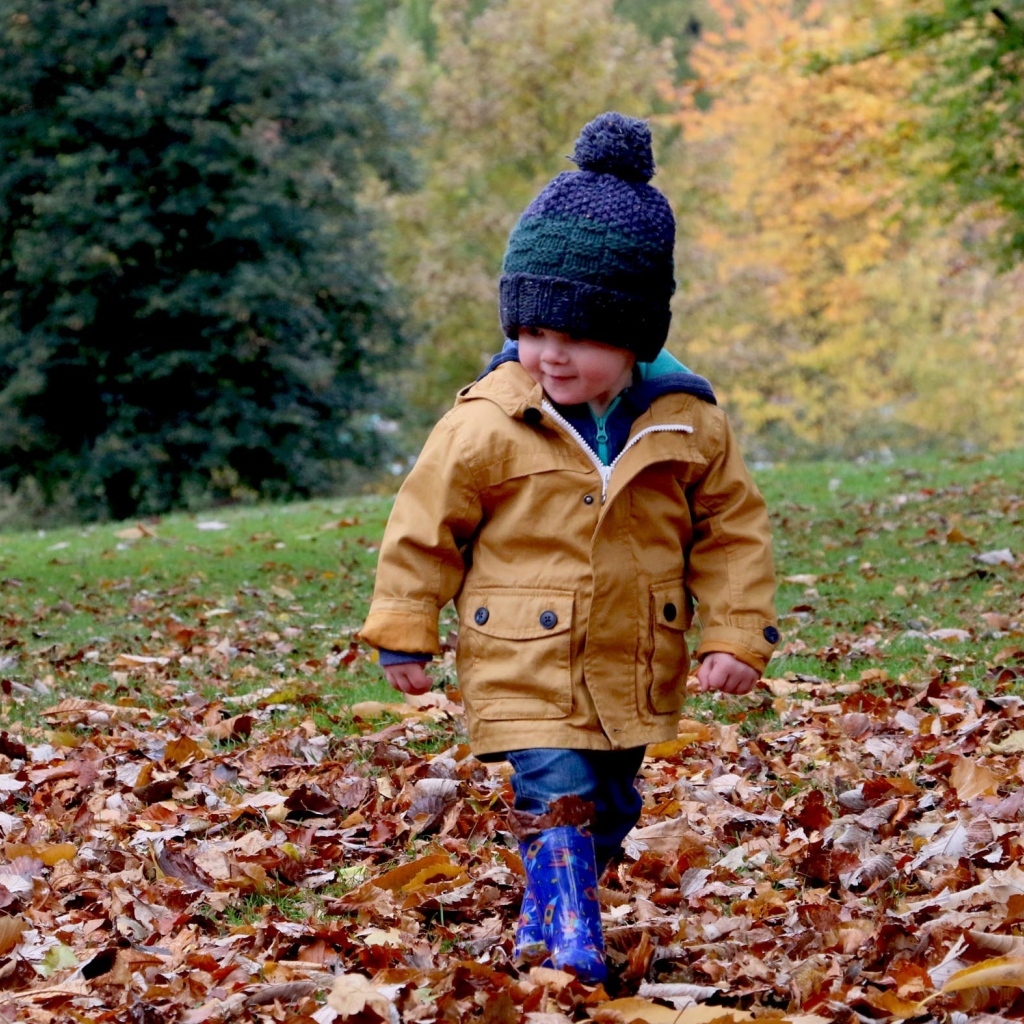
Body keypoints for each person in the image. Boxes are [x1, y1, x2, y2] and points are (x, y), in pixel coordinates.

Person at [358, 112, 778, 984]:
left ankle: (544, 917)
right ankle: (577, 940)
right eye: (534, 331)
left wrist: (735, 635)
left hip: (633, 660)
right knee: (557, 791)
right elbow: (425, 519)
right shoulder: (488, 421)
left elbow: (731, 531)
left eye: (576, 336)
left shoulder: (687, 422)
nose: (549, 354)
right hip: (519, 653)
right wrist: (405, 623)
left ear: (633, 336)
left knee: (614, 803)